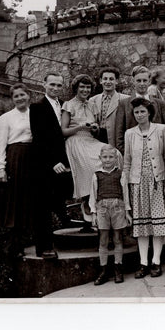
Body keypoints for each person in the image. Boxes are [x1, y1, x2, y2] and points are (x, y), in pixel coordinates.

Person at [123, 97, 165, 278]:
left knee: (157, 224)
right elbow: (127, 161)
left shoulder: (161, 130)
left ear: (149, 112)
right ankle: (143, 263)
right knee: (141, 226)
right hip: (138, 183)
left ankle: (156, 261)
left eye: (143, 111)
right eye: (136, 112)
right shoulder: (129, 133)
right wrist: (126, 185)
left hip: (157, 182)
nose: (139, 115)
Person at [29, 73, 73, 259]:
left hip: (63, 162)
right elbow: (39, 137)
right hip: (45, 164)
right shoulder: (37, 107)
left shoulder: (64, 106)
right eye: (52, 84)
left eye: (59, 85)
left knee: (60, 200)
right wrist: (52, 162)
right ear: (44, 84)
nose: (55, 88)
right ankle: (44, 247)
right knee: (43, 206)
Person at [61, 74, 109, 232]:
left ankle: (100, 202)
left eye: (88, 87)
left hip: (90, 140)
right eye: (82, 87)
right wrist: (80, 127)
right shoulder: (68, 105)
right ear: (76, 88)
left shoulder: (92, 105)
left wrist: (94, 129)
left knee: (113, 155)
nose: (85, 90)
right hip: (75, 141)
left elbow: (95, 131)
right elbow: (64, 131)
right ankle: (87, 203)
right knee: (90, 166)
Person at [0, 83, 34, 259]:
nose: (20, 98)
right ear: (12, 99)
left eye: (22, 95)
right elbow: (1, 143)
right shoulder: (6, 118)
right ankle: (15, 246)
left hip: (33, 158)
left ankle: (32, 241)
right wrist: (1, 167)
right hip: (15, 159)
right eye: (16, 96)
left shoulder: (36, 114)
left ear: (28, 96)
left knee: (31, 200)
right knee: (15, 201)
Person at [89, 145, 130, 286]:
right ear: (100, 158)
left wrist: (127, 212)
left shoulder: (121, 174)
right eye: (105, 157)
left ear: (116, 158)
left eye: (111, 157)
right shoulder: (96, 175)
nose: (108, 160)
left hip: (118, 208)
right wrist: (93, 213)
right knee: (103, 240)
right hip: (102, 209)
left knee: (118, 238)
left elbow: (126, 194)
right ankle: (104, 270)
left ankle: (118, 268)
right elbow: (93, 195)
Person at [119, 65, 165, 140]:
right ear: (133, 81)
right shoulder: (124, 104)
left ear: (149, 81)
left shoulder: (161, 104)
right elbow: (119, 133)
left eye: (144, 80)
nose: (142, 84)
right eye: (138, 81)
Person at [89, 66, 128, 153]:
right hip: (97, 138)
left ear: (116, 81)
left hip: (115, 139)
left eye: (111, 79)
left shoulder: (124, 100)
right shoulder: (93, 100)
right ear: (100, 81)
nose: (108, 82)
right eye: (105, 79)